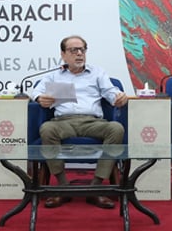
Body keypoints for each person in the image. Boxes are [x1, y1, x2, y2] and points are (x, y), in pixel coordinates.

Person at [31, 35, 128, 209]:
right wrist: (39, 98)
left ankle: (96, 188)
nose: (79, 54)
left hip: (92, 122)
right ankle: (62, 187)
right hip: (63, 122)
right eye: (73, 50)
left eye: (82, 49)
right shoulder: (53, 75)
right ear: (63, 54)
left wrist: (118, 97)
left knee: (116, 128)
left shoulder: (97, 72)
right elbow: (35, 91)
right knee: (47, 129)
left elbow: (111, 91)